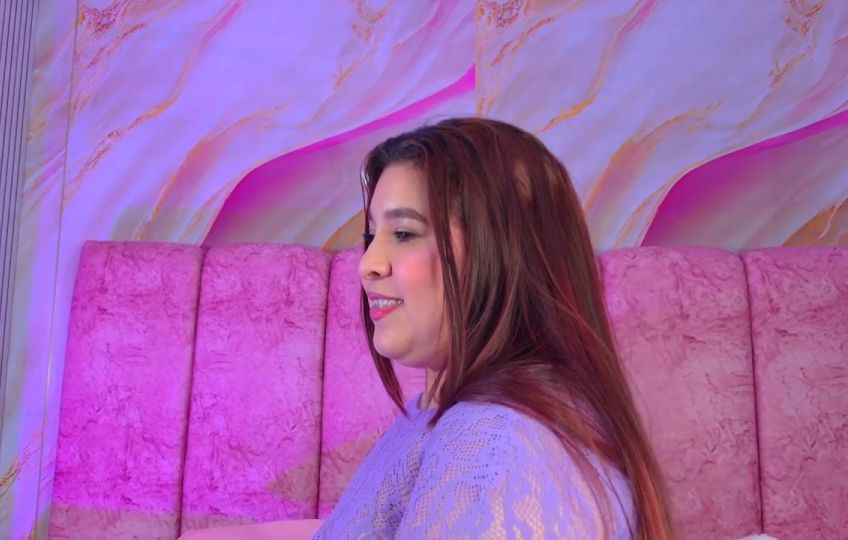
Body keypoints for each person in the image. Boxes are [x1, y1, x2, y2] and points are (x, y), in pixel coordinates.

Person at [181, 117, 674, 539]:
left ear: (501, 252)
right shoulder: (450, 414)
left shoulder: (489, 443)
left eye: (403, 233)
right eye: (372, 236)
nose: (368, 264)